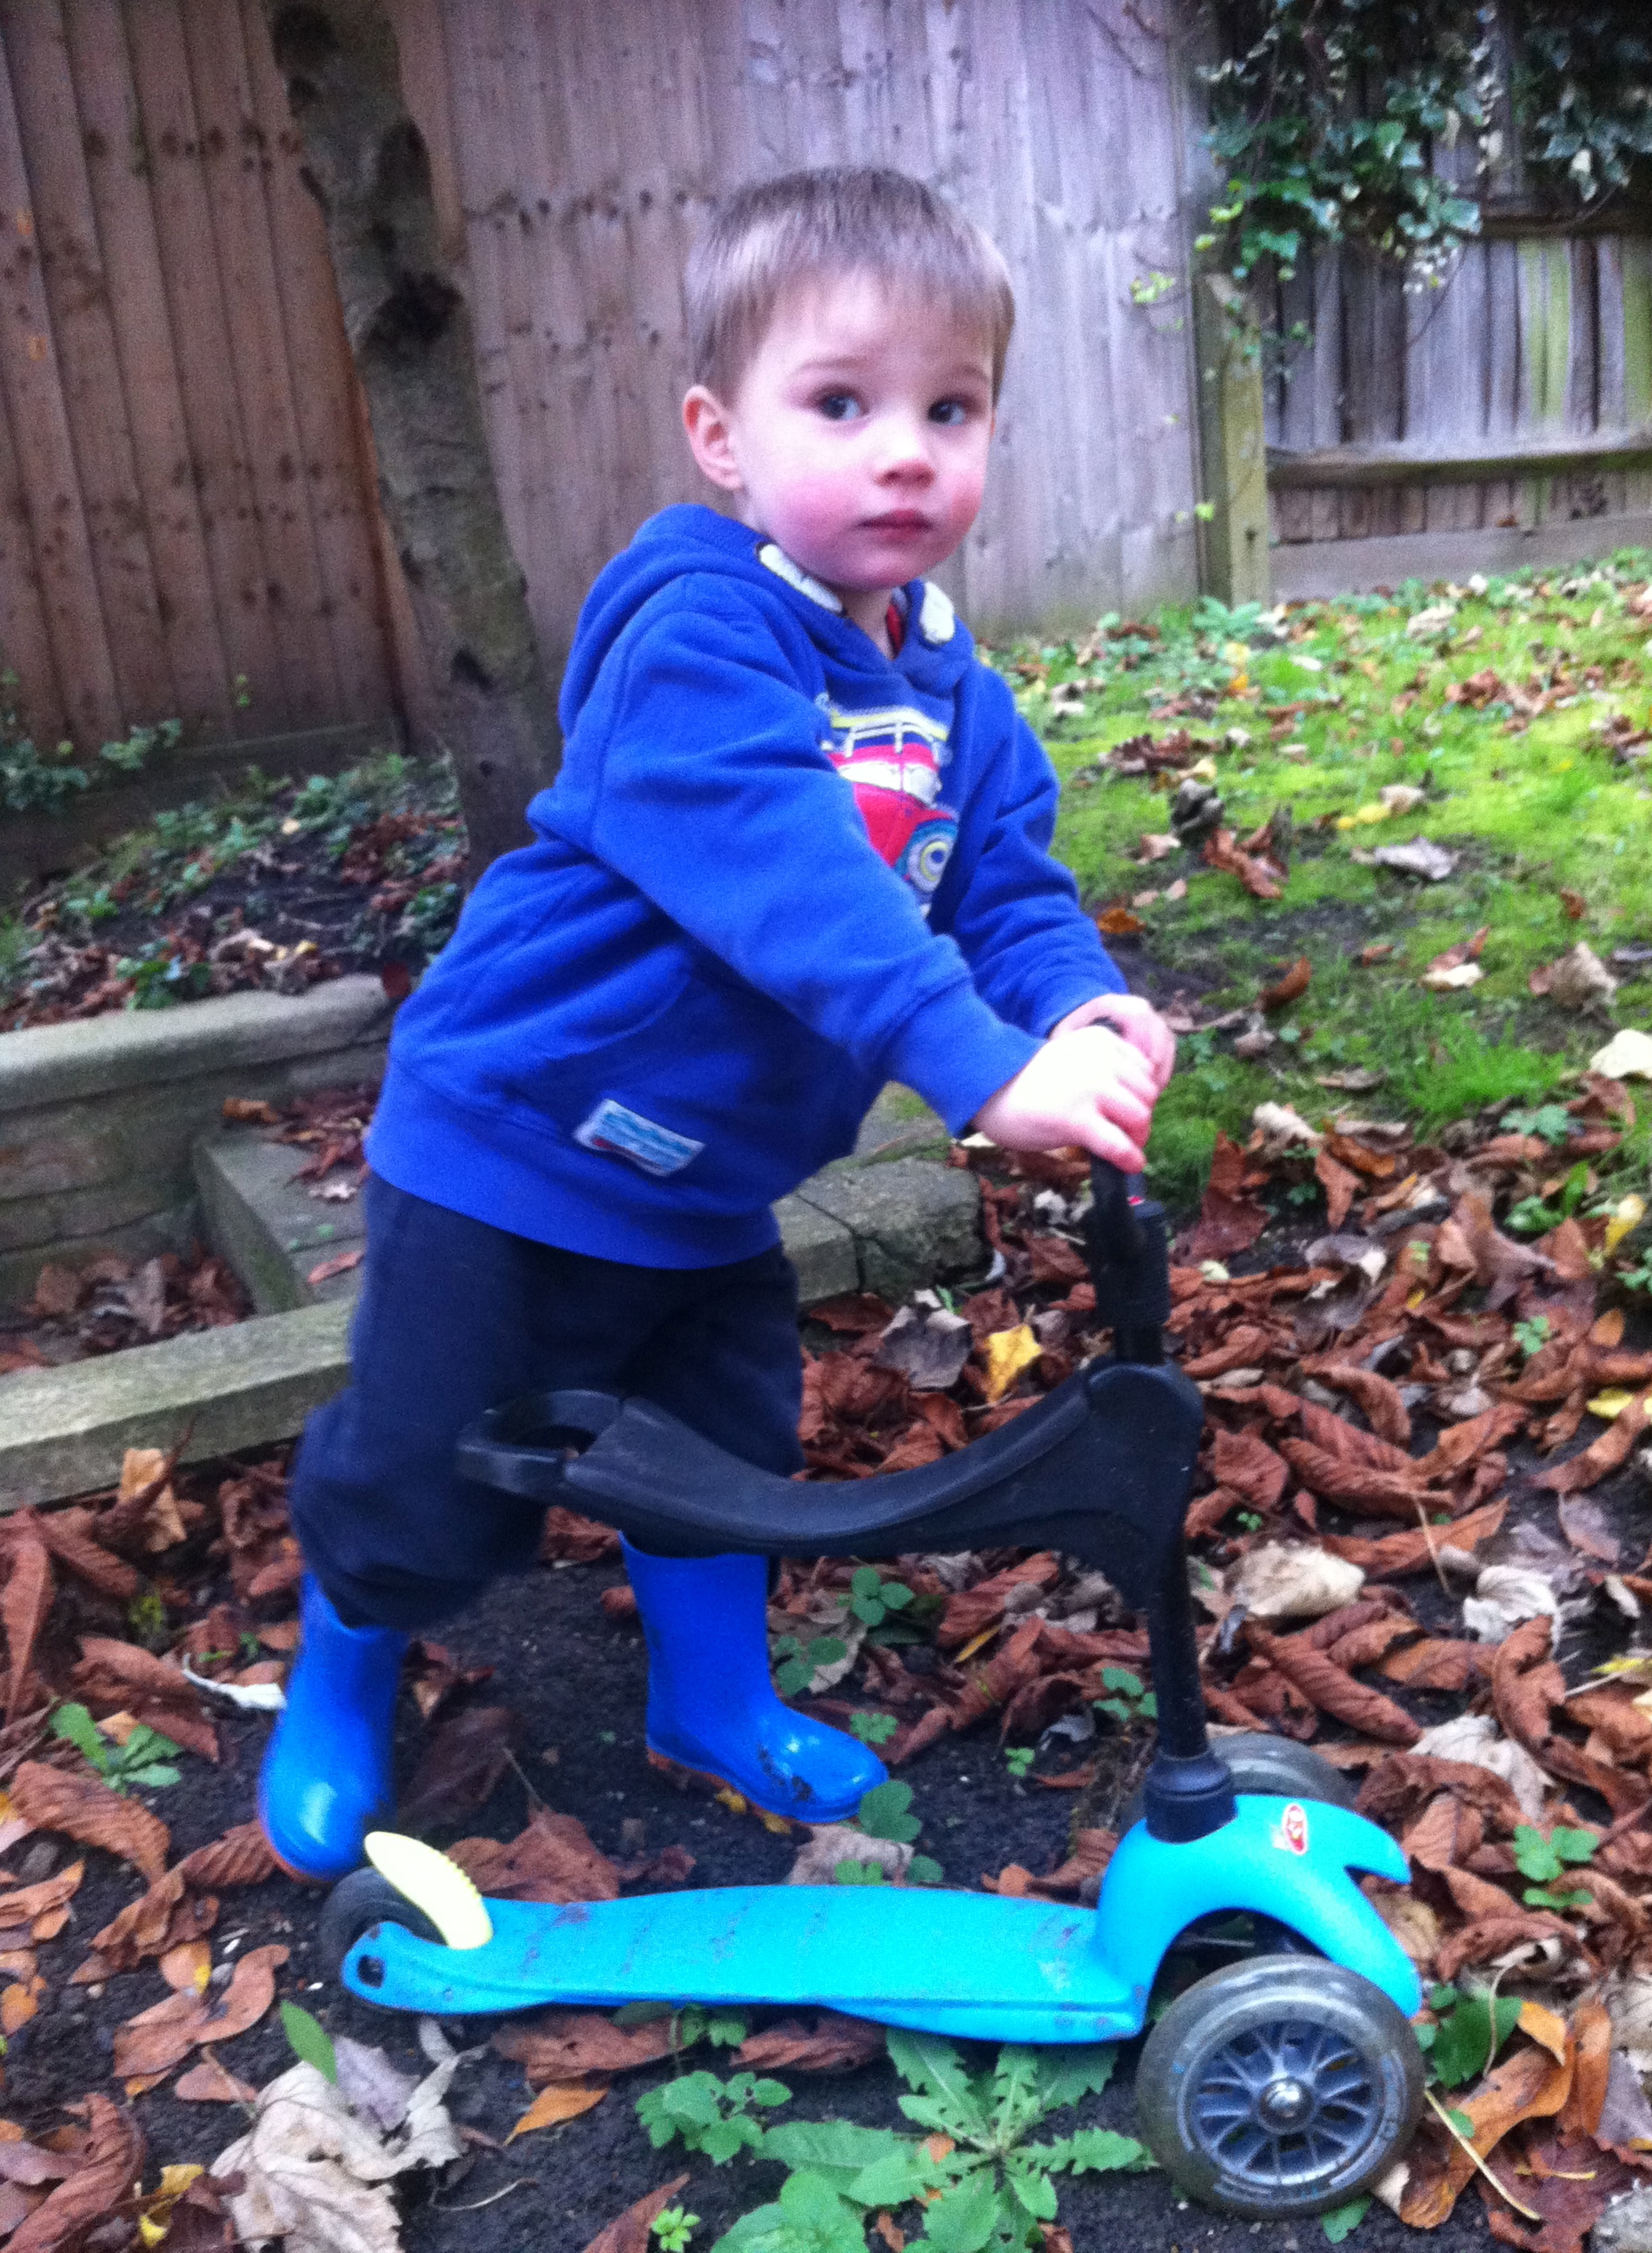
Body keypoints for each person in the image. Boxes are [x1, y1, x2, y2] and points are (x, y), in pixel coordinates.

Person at [257, 166, 1176, 1883]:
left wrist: (1074, 1004)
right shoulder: (696, 638)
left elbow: (1006, 883)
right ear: (720, 437)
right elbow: (793, 881)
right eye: (840, 403)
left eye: (949, 408)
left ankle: (708, 1698)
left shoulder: (950, 689)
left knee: (721, 1454)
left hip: (703, 1188)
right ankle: (348, 1649)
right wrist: (979, 1067)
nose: (903, 452)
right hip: (513, 1147)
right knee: (429, 1479)